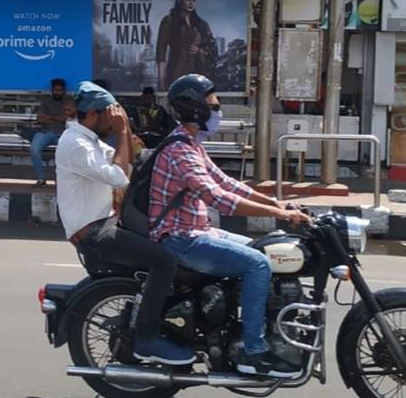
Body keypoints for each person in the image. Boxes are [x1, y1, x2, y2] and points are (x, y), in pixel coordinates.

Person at [149, 74, 312, 378]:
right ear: (194, 110)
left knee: (260, 249)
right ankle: (254, 350)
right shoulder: (179, 151)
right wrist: (278, 214)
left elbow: (227, 182)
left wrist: (278, 204)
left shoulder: (191, 144)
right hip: (180, 239)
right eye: (212, 105)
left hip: (199, 231)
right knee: (258, 264)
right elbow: (217, 197)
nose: (217, 111)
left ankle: (243, 326)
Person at [55, 80, 195, 365]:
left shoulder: (89, 141)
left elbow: (130, 161)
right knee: (164, 260)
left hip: (106, 223)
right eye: (112, 113)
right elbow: (119, 176)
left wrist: (126, 130)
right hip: (94, 234)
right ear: (94, 113)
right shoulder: (75, 144)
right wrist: (120, 131)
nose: (115, 119)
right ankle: (147, 338)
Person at [155, 0, 219, 90]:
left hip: (198, 73)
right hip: (176, 71)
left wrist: (200, 51)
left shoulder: (201, 25)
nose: (191, 3)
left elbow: (213, 48)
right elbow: (161, 50)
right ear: (180, 0)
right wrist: (161, 80)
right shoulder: (169, 21)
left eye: (194, 0)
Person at [30, 78, 73, 187]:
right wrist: (58, 118)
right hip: (45, 131)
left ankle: (61, 180)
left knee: (65, 153)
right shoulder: (46, 102)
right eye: (55, 90)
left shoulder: (68, 102)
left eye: (59, 90)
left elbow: (67, 118)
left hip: (62, 133)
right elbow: (40, 119)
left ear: (64, 91)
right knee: (34, 149)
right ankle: (41, 179)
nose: (57, 92)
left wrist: (51, 117)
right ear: (52, 90)